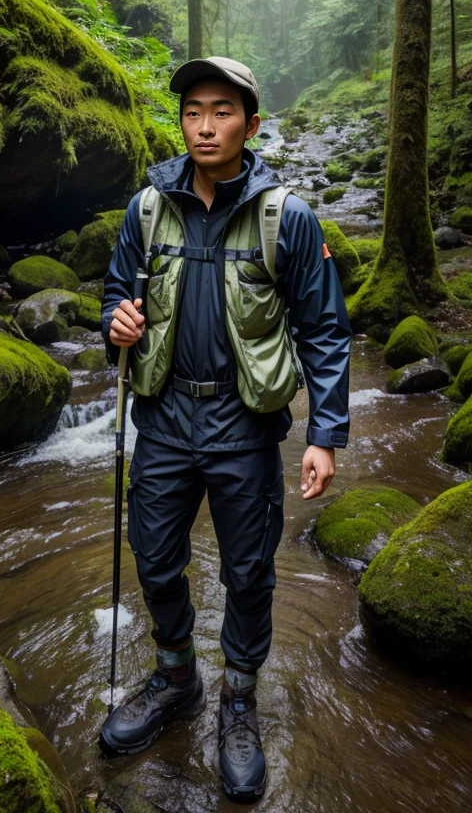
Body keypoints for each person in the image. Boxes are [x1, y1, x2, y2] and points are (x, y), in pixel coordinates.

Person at [98, 56, 351, 803]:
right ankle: (176, 676)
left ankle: (238, 698)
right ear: (180, 121)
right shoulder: (148, 209)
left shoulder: (288, 217)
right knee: (152, 556)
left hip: (244, 425)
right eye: (192, 112)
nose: (205, 126)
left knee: (248, 572)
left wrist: (324, 433)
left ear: (251, 122)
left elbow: (326, 331)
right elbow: (116, 293)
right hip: (166, 417)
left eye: (222, 111)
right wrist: (115, 319)